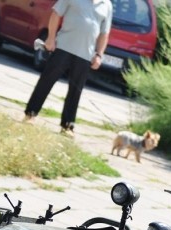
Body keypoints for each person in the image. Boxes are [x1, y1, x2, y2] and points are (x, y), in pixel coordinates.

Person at [23, 0, 112, 135]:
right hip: (63, 47)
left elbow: (104, 33)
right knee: (46, 81)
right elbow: (55, 14)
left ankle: (67, 126)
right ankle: (30, 114)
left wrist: (99, 55)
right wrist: (51, 38)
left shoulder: (107, 5)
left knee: (75, 91)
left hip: (85, 54)